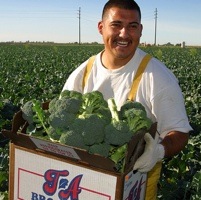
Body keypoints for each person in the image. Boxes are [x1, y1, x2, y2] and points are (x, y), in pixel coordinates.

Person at [62, 0, 193, 199]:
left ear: (140, 30)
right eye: (116, 25)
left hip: (135, 189)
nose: (124, 34)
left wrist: (157, 152)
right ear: (101, 27)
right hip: (84, 186)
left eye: (132, 26)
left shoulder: (157, 77)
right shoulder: (82, 73)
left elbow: (180, 133)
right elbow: (61, 118)